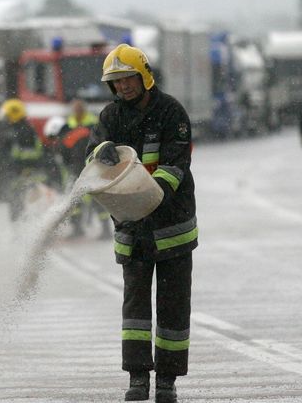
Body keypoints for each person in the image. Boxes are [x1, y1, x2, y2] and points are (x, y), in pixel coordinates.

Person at [85, 44, 197, 402]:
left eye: (127, 79)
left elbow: (175, 163)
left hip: (171, 226)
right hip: (132, 230)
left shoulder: (171, 113)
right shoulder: (110, 117)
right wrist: (98, 152)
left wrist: (148, 197)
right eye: (115, 82)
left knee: (173, 305)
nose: (122, 87)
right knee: (135, 308)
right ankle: (137, 379)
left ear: (143, 76)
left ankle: (167, 381)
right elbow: (93, 159)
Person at [0, 98, 46, 221]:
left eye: (7, 115)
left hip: (25, 174)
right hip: (19, 174)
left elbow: (30, 154)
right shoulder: (19, 129)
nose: (5, 119)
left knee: (23, 205)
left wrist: (23, 168)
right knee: (18, 205)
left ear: (14, 114)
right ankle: (20, 231)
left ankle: (24, 232)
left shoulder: (23, 132)